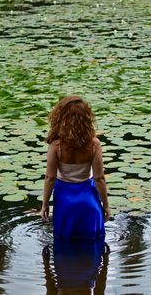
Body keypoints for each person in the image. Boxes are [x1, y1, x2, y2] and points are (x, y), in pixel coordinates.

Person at [41, 95, 111, 239]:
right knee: (93, 244)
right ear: (86, 118)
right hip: (88, 200)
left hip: (64, 200)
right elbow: (99, 178)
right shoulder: (94, 144)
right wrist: (106, 205)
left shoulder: (56, 146)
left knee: (64, 243)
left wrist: (45, 204)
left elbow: (50, 177)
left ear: (60, 118)